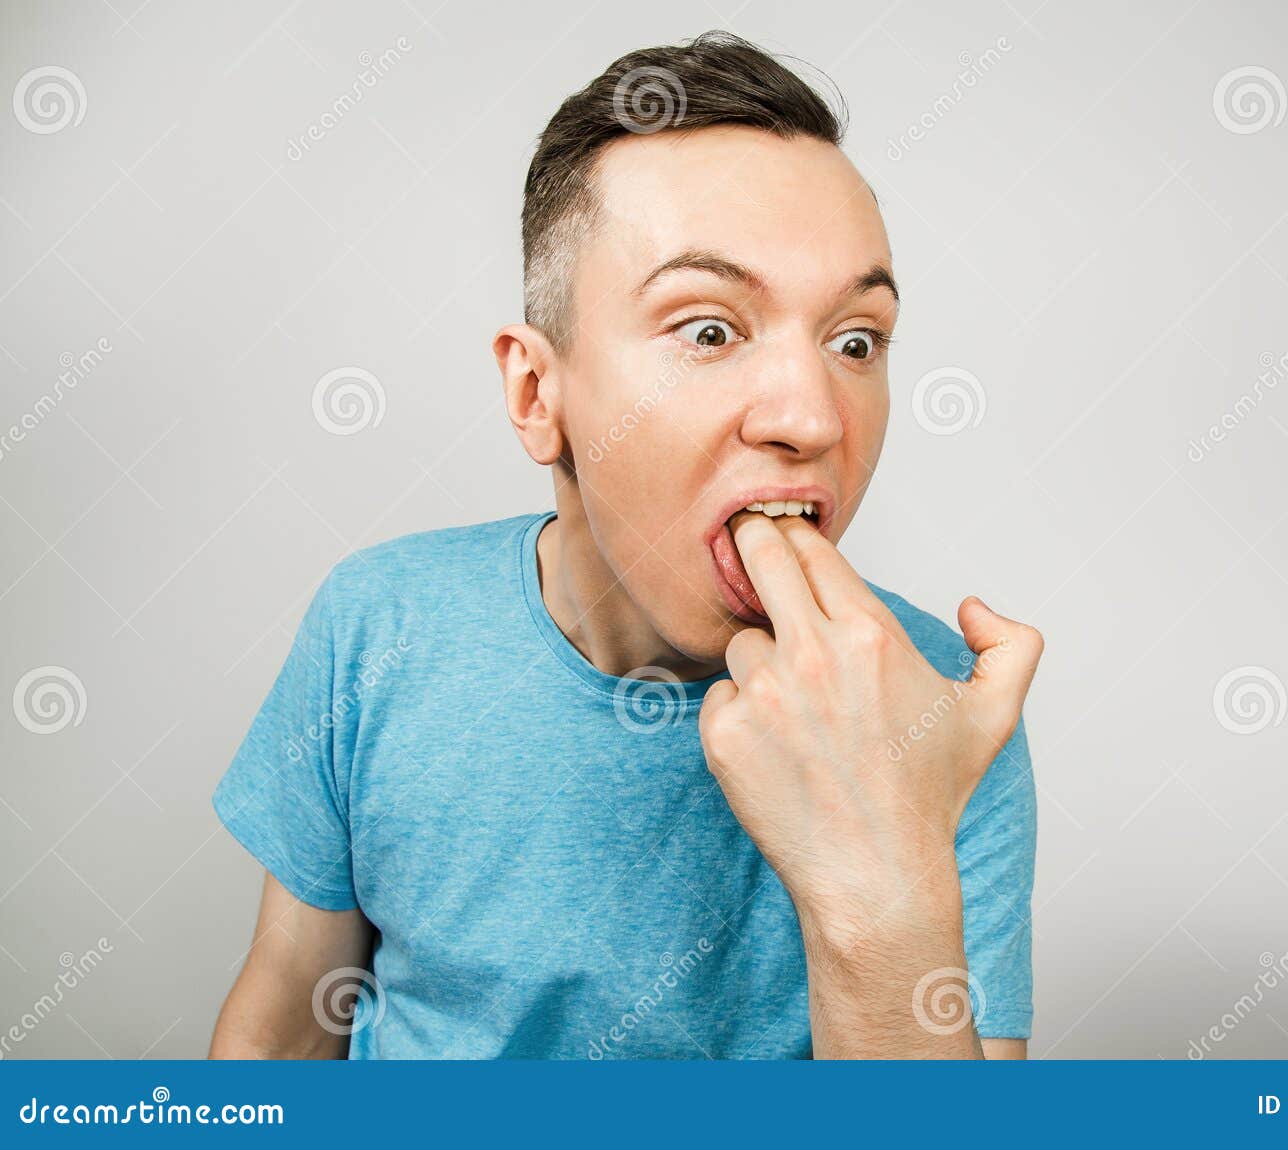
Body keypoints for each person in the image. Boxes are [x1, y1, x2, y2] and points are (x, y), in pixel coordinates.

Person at [209, 30, 1044, 1060]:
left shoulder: (942, 711)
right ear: (537, 393)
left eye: (855, 340)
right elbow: (286, 1016)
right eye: (707, 329)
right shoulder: (377, 626)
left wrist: (880, 886)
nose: (814, 418)